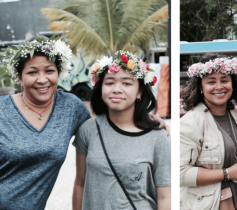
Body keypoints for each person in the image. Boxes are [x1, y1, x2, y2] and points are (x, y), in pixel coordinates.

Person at [0, 37, 92, 210]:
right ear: (19, 77)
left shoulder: (71, 108)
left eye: (49, 71)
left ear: (59, 73)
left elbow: (98, 137)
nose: (42, 80)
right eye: (32, 72)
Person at [72, 51, 169, 210]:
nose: (116, 89)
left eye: (127, 83)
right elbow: (80, 184)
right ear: (100, 87)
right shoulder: (88, 130)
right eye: (109, 82)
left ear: (139, 92)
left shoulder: (158, 136)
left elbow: (165, 196)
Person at [179, 54, 237, 210]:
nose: (219, 87)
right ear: (200, 87)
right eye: (211, 82)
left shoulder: (236, 112)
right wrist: (228, 173)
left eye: (224, 80)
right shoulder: (191, 122)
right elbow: (180, 174)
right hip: (214, 204)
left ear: (232, 84)